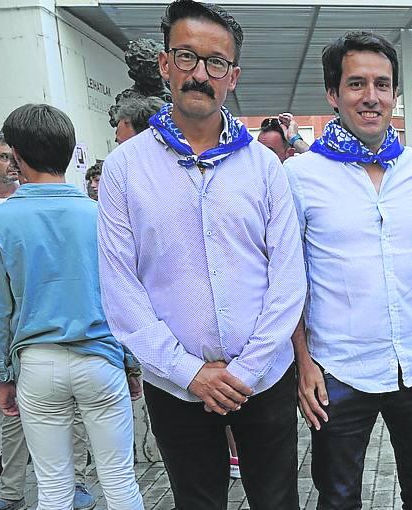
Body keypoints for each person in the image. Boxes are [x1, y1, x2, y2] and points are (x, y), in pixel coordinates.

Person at [97, 1, 307, 508]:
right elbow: (120, 287)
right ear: (166, 65)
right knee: (197, 502)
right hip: (175, 386)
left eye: (216, 63)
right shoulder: (126, 168)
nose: (200, 74)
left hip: (263, 379)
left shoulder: (263, 167)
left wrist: (246, 369)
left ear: (231, 76)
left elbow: (288, 277)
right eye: (187, 57)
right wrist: (189, 371)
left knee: (278, 501)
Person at [284, 30, 412, 509]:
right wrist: (303, 363)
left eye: (382, 84)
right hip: (337, 370)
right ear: (333, 94)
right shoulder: (300, 176)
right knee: (338, 498)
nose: (371, 96)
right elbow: (288, 277)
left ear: (396, 94)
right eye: (356, 84)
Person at [0, 104, 144, 510]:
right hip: (100, 359)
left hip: (36, 363)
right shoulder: (101, 215)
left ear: (15, 155)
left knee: (53, 488)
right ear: (71, 153)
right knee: (121, 482)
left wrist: (1, 375)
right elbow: (124, 296)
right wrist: (132, 364)